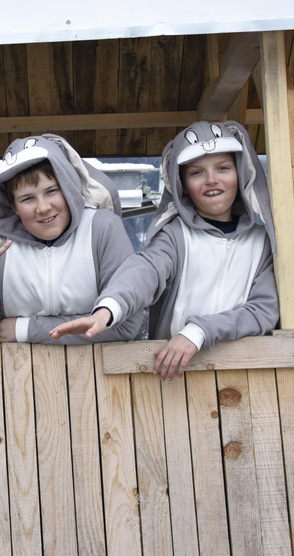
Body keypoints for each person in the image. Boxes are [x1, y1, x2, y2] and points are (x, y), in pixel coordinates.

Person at [50, 121, 279, 380]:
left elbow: (263, 311)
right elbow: (145, 271)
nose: (211, 180)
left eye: (223, 168)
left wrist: (198, 332)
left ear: (240, 172)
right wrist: (108, 309)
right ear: (182, 184)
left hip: (246, 378)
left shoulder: (262, 242)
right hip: (175, 380)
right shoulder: (175, 236)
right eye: (196, 172)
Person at [0, 133, 137, 344]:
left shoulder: (103, 228)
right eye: (27, 198)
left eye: (51, 191)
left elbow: (125, 324)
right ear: (13, 206)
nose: (43, 207)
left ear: (68, 187)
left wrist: (26, 329)